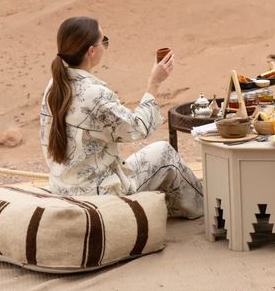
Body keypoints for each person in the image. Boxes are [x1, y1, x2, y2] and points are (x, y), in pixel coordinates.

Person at [40, 16, 204, 219]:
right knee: (164, 153)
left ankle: (175, 207)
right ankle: (205, 210)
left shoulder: (54, 87)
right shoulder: (95, 95)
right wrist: (154, 83)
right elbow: (138, 128)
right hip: (100, 195)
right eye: (104, 41)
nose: (105, 46)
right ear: (91, 51)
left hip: (64, 188)